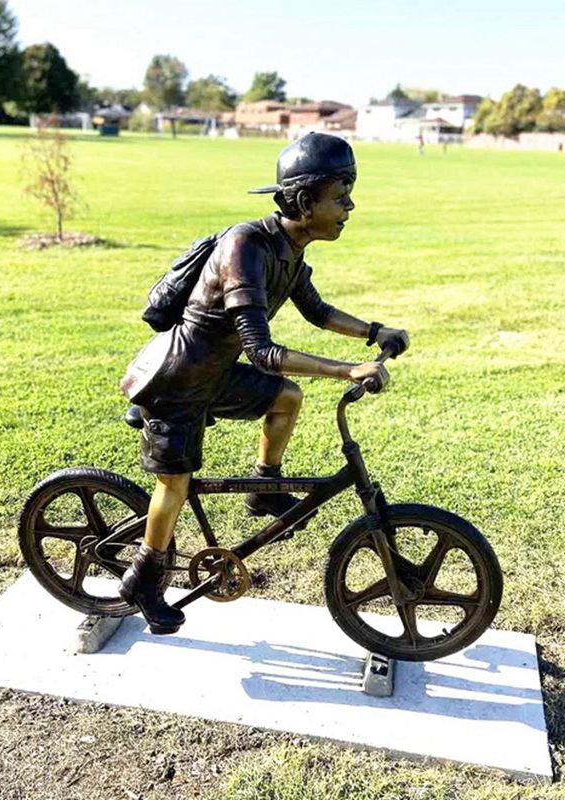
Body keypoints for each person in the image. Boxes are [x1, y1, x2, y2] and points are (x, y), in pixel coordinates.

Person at [118, 133, 409, 634]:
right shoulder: (245, 246)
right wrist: (345, 369)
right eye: (340, 196)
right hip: (178, 379)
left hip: (216, 373)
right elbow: (263, 352)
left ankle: (264, 489)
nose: (350, 206)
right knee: (175, 482)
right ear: (303, 201)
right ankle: (143, 581)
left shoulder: (288, 250)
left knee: (286, 398)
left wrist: (373, 332)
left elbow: (316, 311)